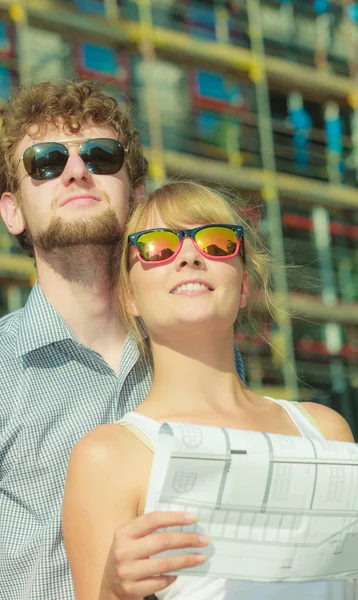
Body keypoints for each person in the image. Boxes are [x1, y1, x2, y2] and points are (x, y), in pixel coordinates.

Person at [63, 181, 358, 600]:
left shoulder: (327, 431)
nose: (188, 256)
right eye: (156, 246)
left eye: (217, 243)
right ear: (129, 296)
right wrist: (113, 590)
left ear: (242, 287)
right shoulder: (107, 457)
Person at [0, 81, 245, 600]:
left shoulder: (207, 353)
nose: (76, 171)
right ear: (12, 211)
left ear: (134, 194)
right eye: (44, 162)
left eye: (101, 155)